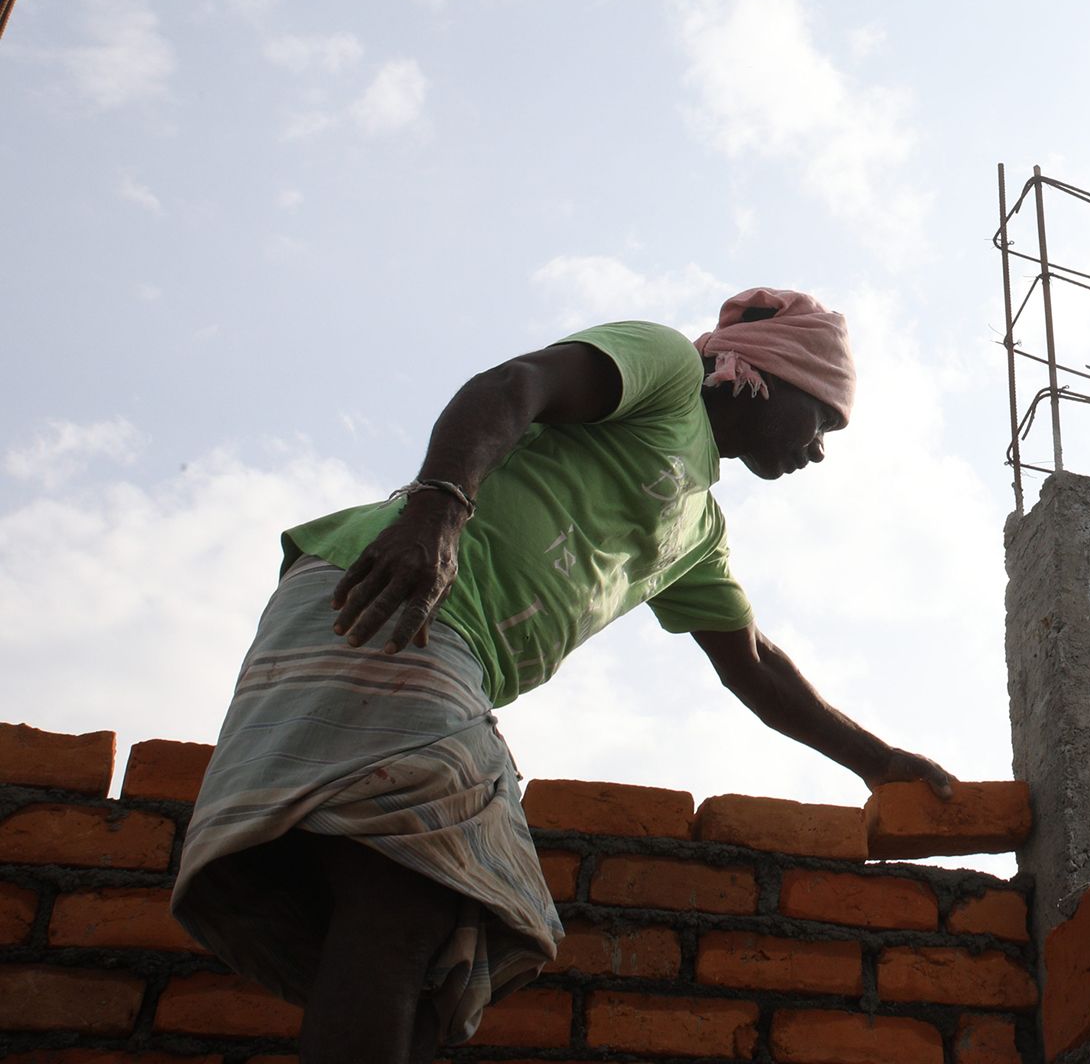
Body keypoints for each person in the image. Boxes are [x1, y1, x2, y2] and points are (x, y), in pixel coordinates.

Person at [171, 287, 954, 1064]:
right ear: (773, 377)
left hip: (437, 650)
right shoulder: (668, 367)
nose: (819, 449)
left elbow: (752, 665)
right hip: (391, 599)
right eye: (824, 420)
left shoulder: (699, 528)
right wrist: (437, 510)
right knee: (414, 888)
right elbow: (516, 386)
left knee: (441, 949)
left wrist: (880, 766)